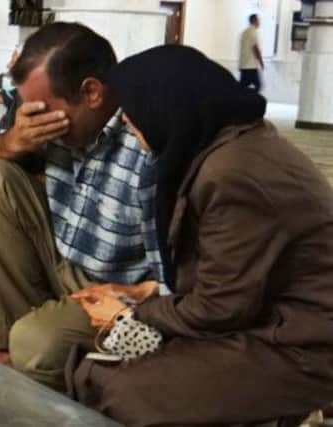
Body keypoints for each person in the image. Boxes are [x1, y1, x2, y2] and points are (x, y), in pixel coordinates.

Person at [70, 45, 333, 426]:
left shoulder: (233, 174)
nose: (125, 120)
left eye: (133, 108)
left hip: (305, 348)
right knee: (94, 363)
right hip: (274, 322)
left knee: (123, 391)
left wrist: (132, 313)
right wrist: (141, 294)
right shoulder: (228, 147)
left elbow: (221, 308)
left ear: (167, 105)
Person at [0, 22, 164, 391]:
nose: (33, 120)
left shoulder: (147, 141)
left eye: (41, 110)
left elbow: (181, 285)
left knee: (36, 346)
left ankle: (34, 353)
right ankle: (11, 347)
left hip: (117, 295)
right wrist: (11, 141)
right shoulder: (50, 126)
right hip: (65, 261)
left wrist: (132, 298)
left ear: (92, 93)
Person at [239, 13, 264, 92]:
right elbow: (255, 48)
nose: (259, 22)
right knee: (258, 86)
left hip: (244, 65)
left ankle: (243, 100)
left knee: (242, 87)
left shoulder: (244, 32)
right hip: (251, 66)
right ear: (254, 21)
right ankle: (248, 101)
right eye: (258, 20)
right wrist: (261, 62)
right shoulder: (253, 31)